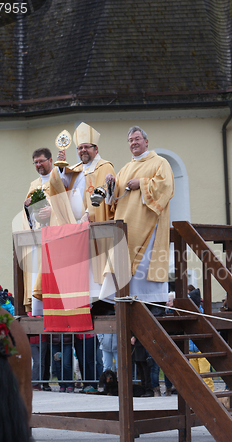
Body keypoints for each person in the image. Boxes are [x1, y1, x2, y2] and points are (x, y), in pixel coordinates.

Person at [51, 122, 115, 392]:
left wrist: (90, 213)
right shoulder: (75, 170)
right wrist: (60, 167)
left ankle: (100, 302)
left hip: (94, 227)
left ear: (95, 148)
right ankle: (86, 303)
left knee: (95, 272)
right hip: (75, 231)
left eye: (86, 147)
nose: (82, 151)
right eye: (79, 148)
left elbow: (104, 192)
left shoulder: (105, 167)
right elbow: (60, 190)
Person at [104, 125, 174, 311]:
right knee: (123, 262)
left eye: (137, 139)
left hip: (148, 224)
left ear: (146, 141)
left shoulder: (160, 163)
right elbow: (113, 199)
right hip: (125, 225)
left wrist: (141, 184)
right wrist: (111, 184)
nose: (133, 143)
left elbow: (166, 186)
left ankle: (154, 303)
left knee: (145, 264)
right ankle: (121, 301)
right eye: (130, 140)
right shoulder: (125, 168)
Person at [22, 147, 56, 314]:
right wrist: (27, 207)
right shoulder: (34, 185)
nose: (38, 164)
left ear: (50, 160)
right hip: (38, 237)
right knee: (37, 274)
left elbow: (68, 206)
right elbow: (28, 217)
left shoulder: (60, 179)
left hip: (56, 236)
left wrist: (53, 212)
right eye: (35, 162)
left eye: (41, 160)